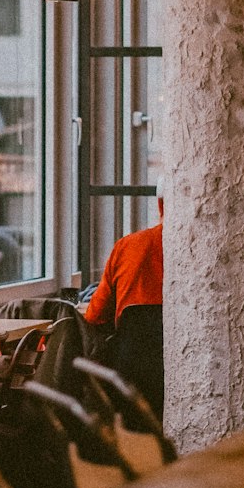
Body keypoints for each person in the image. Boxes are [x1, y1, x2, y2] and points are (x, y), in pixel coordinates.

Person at [83, 179, 164, 420]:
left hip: (129, 373)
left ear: (160, 205)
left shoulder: (128, 246)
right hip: (183, 371)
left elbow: (94, 316)